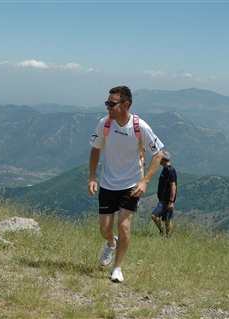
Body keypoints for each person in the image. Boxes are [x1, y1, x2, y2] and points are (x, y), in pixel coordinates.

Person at [88, 86, 164, 283]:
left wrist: (145, 181)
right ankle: (111, 244)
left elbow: (158, 154)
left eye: (112, 104)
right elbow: (95, 150)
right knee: (105, 230)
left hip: (130, 184)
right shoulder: (104, 124)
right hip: (107, 182)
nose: (108, 108)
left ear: (125, 105)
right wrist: (92, 178)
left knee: (124, 226)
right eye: (107, 103)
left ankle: (117, 268)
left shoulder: (141, 127)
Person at [150, 150, 177, 236]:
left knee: (154, 216)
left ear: (161, 159)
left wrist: (171, 201)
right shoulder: (165, 169)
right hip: (163, 199)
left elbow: (173, 186)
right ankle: (168, 237)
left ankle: (162, 232)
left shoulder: (170, 170)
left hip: (166, 200)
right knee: (167, 219)